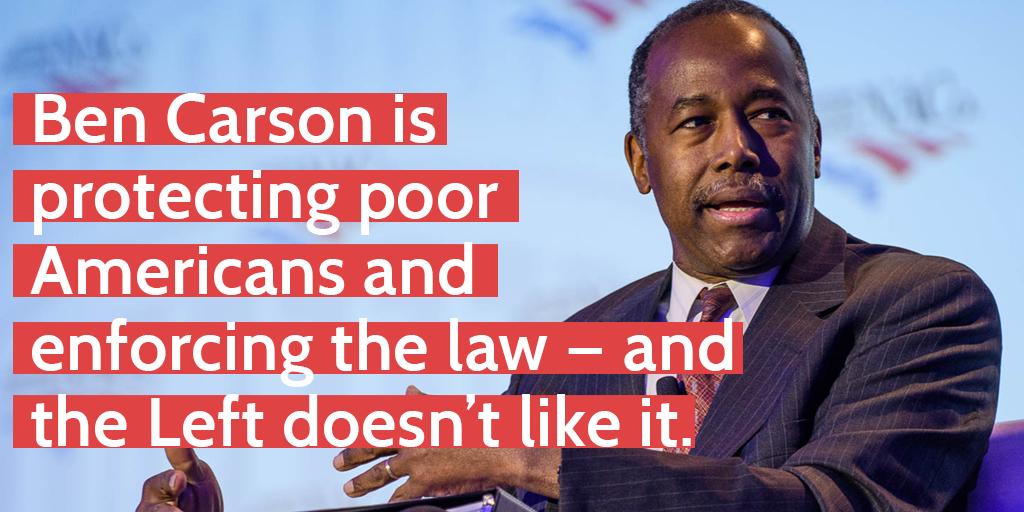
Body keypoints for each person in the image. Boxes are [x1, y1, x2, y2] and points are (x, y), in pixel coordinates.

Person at [135, 1, 1002, 511]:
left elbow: (835, 503)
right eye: (695, 123)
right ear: (641, 162)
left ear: (814, 143)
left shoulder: (919, 303)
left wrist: (529, 459)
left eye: (769, 115)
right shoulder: (574, 352)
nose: (737, 149)